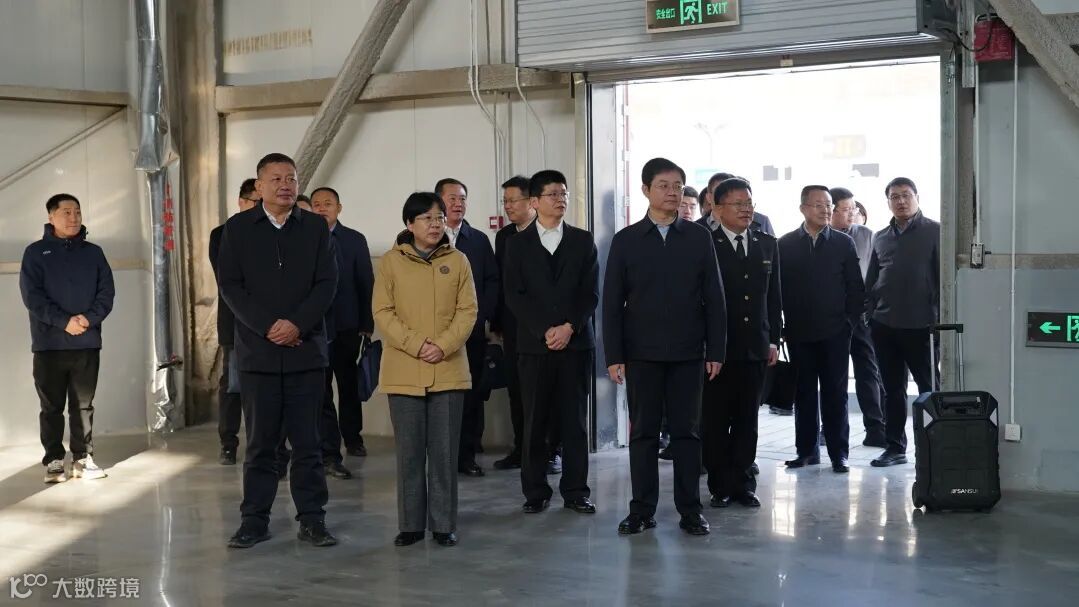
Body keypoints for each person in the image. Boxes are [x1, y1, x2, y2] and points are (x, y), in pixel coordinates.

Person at [218, 153, 338, 549]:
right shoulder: (237, 229)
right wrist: (268, 326)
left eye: (291, 178)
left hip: (305, 353)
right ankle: (254, 520)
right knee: (260, 445)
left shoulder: (315, 228)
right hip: (259, 354)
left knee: (308, 443)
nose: (285, 185)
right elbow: (231, 286)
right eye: (276, 179)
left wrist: (296, 325)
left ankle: (313, 519)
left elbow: (326, 283)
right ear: (259, 186)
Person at [603, 157, 726, 536]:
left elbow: (715, 297)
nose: (672, 192)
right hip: (642, 354)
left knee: (687, 434)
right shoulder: (626, 240)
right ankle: (641, 510)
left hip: (689, 353)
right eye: (663, 185)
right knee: (643, 434)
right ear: (645, 190)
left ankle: (691, 510)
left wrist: (716, 350)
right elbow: (612, 303)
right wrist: (614, 356)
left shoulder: (698, 238)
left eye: (678, 186)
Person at [372, 192, 478, 548]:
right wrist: (417, 345)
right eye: (427, 218)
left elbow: (468, 311)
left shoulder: (458, 260)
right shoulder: (391, 262)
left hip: (448, 369)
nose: (435, 224)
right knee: (410, 453)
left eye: (439, 218)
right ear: (409, 224)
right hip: (404, 368)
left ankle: (444, 524)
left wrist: (443, 345)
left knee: (445, 454)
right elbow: (382, 311)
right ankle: (411, 525)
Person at [503, 170, 599, 515]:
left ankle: (576, 491)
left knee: (575, 422)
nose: (561, 200)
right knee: (535, 421)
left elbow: (590, 292)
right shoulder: (517, 245)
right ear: (535, 201)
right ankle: (535, 491)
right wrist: (545, 329)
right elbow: (514, 295)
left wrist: (569, 327)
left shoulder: (582, 240)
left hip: (576, 344)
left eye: (564, 193)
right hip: (534, 346)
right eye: (553, 194)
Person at [20, 193, 115, 484]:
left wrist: (88, 319)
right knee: (51, 406)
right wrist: (64, 322)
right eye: (66, 212)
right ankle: (53, 459)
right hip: (49, 344)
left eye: (77, 212)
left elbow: (106, 292)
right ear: (51, 217)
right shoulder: (36, 253)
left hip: (86, 342)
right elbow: (33, 297)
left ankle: (83, 458)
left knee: (83, 405)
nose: (73, 218)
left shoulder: (94, 253)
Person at [700, 178, 781, 508]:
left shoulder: (767, 243)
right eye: (738, 204)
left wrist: (773, 339)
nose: (746, 210)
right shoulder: (705, 243)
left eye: (749, 203)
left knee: (748, 419)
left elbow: (773, 297)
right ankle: (720, 485)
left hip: (755, 346)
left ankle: (744, 483)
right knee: (716, 419)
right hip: (718, 350)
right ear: (717, 209)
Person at [778, 186, 864, 474]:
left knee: (835, 394)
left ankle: (839, 454)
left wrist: (849, 323)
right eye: (819, 205)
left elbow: (855, 288)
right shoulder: (785, 244)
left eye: (829, 205)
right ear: (803, 208)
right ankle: (806, 452)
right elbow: (777, 290)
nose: (826, 210)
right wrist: (781, 327)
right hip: (799, 332)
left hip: (835, 332)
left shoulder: (843, 243)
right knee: (803, 393)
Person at [866, 177, 940, 468]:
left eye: (906, 195)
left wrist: (940, 319)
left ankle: (934, 447)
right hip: (885, 326)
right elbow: (872, 280)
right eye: (894, 196)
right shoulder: (881, 236)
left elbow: (944, 279)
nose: (901, 201)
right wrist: (869, 314)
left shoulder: (936, 231)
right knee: (892, 390)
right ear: (888, 202)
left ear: (917, 197)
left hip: (923, 326)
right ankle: (895, 447)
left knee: (928, 388)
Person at [437, 178, 499, 477]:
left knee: (470, 395)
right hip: (434, 334)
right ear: (439, 202)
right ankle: (440, 457)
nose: (458, 203)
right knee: (439, 397)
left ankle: (466, 455)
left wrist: (480, 316)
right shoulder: (428, 237)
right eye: (452, 198)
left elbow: (491, 281)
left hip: (470, 332)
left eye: (462, 198)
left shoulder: (478, 240)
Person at [311, 187, 376, 463]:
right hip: (316, 328)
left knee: (349, 385)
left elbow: (366, 282)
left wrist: (367, 323)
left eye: (328, 203)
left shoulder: (354, 239)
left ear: (339, 208)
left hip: (348, 326)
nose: (322, 208)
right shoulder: (304, 238)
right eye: (316, 204)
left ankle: (353, 438)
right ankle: (327, 444)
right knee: (321, 389)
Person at [830, 187, 887, 448]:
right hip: (831, 317)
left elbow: (877, 274)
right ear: (832, 211)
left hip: (861, 316)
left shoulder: (867, 235)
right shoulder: (823, 237)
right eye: (846, 209)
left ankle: (875, 427)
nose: (852, 213)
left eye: (854, 208)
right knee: (832, 375)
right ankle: (829, 429)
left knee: (868, 371)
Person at [209, 179, 260, 465]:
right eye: (255, 201)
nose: (259, 207)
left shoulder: (273, 231)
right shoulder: (222, 234)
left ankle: (260, 442)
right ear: (241, 201)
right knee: (233, 385)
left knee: (261, 388)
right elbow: (228, 279)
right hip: (235, 321)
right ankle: (228, 443)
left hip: (267, 323)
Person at [492, 175, 536, 471]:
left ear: (531, 201)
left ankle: (549, 450)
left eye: (513, 200)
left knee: (542, 393)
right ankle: (521, 448)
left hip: (542, 328)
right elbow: (501, 282)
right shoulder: (504, 236)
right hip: (512, 327)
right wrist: (496, 322)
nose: (508, 206)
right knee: (516, 390)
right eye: (505, 201)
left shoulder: (546, 232)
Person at [705, 173, 775, 236]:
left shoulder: (761, 222)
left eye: (749, 203)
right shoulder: (702, 229)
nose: (745, 209)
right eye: (737, 204)